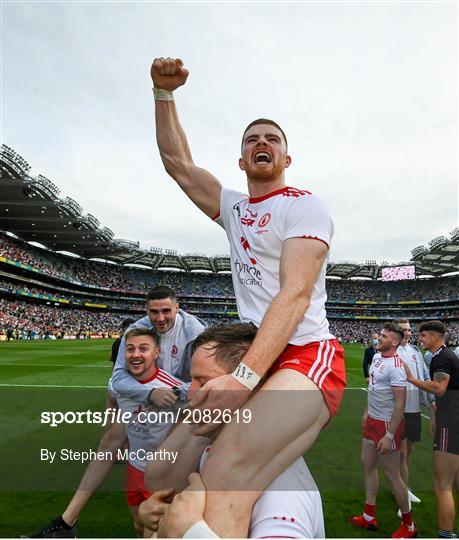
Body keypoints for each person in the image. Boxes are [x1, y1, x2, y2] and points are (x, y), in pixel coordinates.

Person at [150, 56, 346, 537]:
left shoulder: (304, 206)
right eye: (252, 139)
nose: (262, 143)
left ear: (286, 157)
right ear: (241, 161)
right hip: (254, 356)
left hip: (303, 357)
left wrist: (243, 378)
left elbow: (295, 295)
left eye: (272, 138)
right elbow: (179, 165)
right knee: (160, 476)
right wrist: (163, 94)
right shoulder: (234, 207)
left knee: (223, 475)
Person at [23, 286, 205, 538]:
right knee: (110, 441)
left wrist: (172, 392)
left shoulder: (195, 331)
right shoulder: (136, 330)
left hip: (180, 402)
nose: (160, 318)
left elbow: (202, 378)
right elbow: (118, 378)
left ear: (177, 308)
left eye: (166, 311)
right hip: (147, 393)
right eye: (154, 312)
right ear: (146, 310)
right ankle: (66, 523)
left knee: (174, 467)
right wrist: (150, 394)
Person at [140, 324, 325, 538]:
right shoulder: (218, 450)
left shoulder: (284, 493)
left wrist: (190, 531)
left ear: (245, 391)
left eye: (203, 381)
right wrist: (163, 515)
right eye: (192, 380)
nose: (190, 393)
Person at [109, 327, 185, 537]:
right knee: (138, 525)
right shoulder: (119, 386)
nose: (136, 355)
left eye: (144, 349)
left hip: (162, 474)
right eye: (130, 349)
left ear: (157, 353)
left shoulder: (174, 389)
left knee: (156, 532)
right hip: (134, 469)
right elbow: (113, 405)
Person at [349, 322, 416, 538]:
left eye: (385, 336)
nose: (379, 338)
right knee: (367, 465)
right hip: (372, 421)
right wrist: (367, 411)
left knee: (392, 474)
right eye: (381, 335)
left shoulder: (396, 366)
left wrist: (389, 435)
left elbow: (400, 404)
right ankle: (369, 516)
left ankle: (408, 525)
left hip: (388, 425)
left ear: (394, 342)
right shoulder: (377, 357)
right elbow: (374, 388)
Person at [401, 320, 459, 539]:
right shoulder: (447, 355)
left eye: (423, 335)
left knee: (442, 485)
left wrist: (411, 379)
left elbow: (439, 388)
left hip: (451, 423)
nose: (420, 339)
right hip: (454, 419)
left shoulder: (441, 358)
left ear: (435, 337)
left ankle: (446, 534)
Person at [394, 318, 435, 509]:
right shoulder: (391, 353)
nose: (408, 333)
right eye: (404, 330)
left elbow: (425, 376)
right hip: (398, 410)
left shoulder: (416, 351)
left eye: (409, 329)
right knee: (401, 452)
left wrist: (431, 400)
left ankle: (403, 486)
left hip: (414, 409)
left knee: (409, 451)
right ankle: (402, 492)